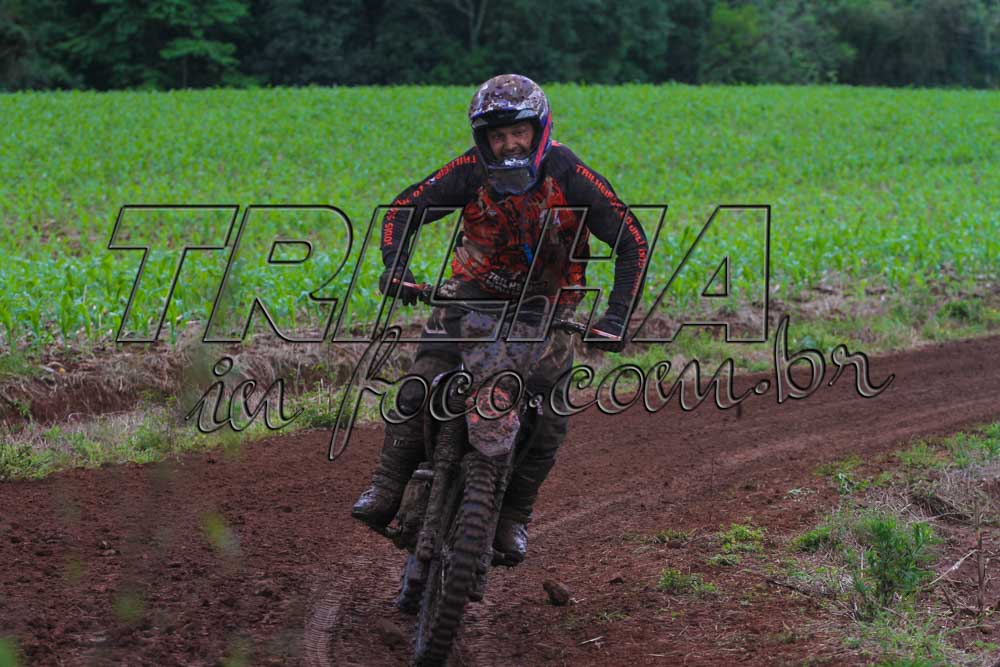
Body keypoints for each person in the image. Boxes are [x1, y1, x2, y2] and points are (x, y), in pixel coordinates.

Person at [352, 73, 647, 564]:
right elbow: (403, 208)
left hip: (550, 306)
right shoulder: (470, 171)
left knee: (550, 414)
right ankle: (387, 484)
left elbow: (632, 241)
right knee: (421, 381)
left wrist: (616, 317)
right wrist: (395, 268)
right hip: (472, 294)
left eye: (518, 132)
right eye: (498, 135)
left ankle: (513, 515)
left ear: (539, 130)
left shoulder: (570, 173)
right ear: (482, 139)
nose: (509, 144)